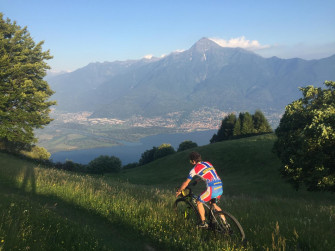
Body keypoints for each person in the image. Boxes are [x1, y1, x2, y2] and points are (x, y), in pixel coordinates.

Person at [176, 151, 224, 228]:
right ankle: (225, 224)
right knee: (213, 205)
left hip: (212, 188)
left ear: (193, 161)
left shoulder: (194, 170)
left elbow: (186, 183)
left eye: (190, 161)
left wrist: (179, 191)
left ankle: (203, 223)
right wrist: (198, 180)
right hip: (220, 186)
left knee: (198, 201)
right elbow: (208, 173)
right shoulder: (208, 163)